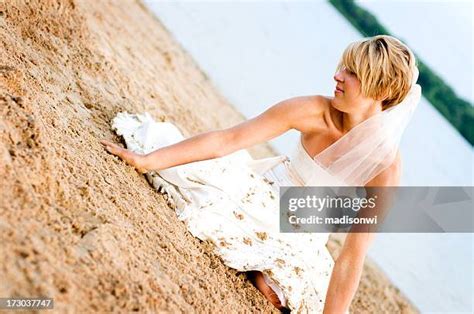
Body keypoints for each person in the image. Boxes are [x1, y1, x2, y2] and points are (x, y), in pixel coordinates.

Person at [100, 35, 420, 313]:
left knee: (280, 296)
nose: (337, 75)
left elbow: (354, 253)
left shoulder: (386, 165)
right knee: (207, 204)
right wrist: (148, 161)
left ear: (381, 90)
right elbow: (229, 140)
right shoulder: (311, 110)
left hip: (307, 234)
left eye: (352, 73)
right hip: (263, 194)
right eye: (342, 65)